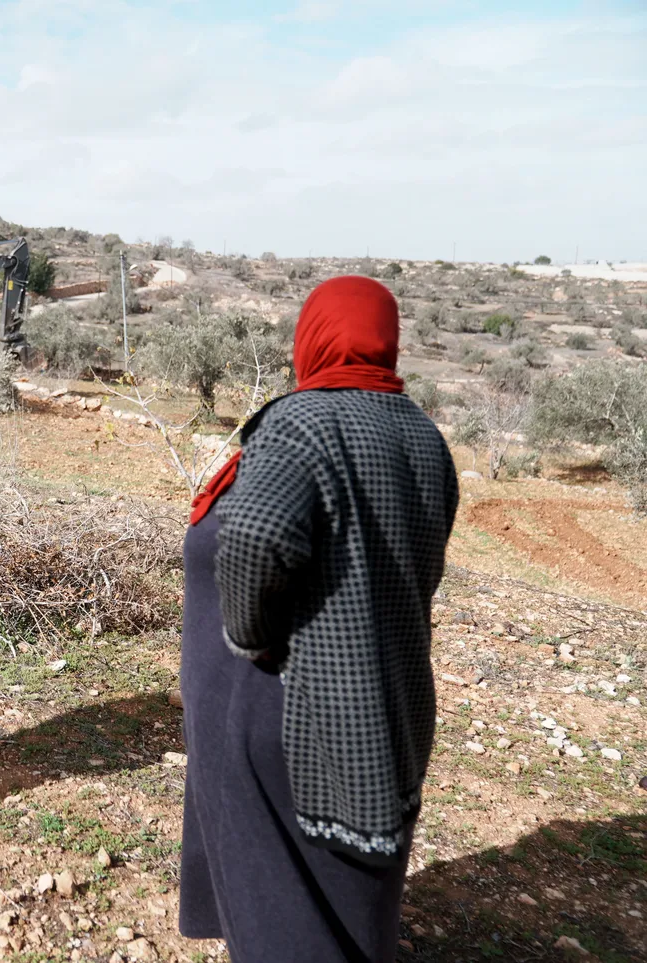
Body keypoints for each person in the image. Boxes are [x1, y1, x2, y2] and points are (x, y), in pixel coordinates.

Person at [176, 275, 458, 961]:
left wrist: (250, 634)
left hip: (289, 707)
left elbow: (256, 537)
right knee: (346, 880)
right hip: (387, 701)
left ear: (313, 337)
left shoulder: (303, 423)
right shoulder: (424, 435)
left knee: (280, 886)